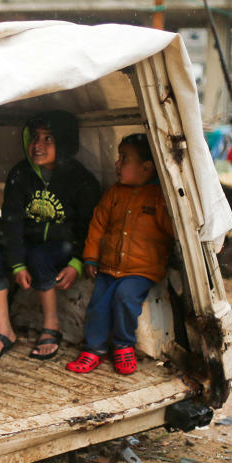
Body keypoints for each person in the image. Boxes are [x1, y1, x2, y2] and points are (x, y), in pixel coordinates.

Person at [0, 111, 100, 364]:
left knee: (40, 256)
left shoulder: (81, 180)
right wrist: (17, 263)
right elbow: (11, 222)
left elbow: (88, 227)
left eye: (48, 139)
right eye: (34, 137)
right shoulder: (20, 174)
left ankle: (51, 325)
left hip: (61, 247)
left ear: (64, 143)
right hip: (27, 245)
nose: (37, 145)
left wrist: (77, 262)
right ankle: (4, 330)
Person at [66, 133, 175, 375]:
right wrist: (91, 257)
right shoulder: (114, 193)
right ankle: (93, 349)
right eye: (119, 158)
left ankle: (123, 345)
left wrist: (168, 207)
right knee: (98, 305)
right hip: (108, 267)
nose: (117, 164)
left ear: (146, 168)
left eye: (124, 159)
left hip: (141, 269)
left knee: (125, 298)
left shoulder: (158, 197)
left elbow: (172, 230)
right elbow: (97, 225)